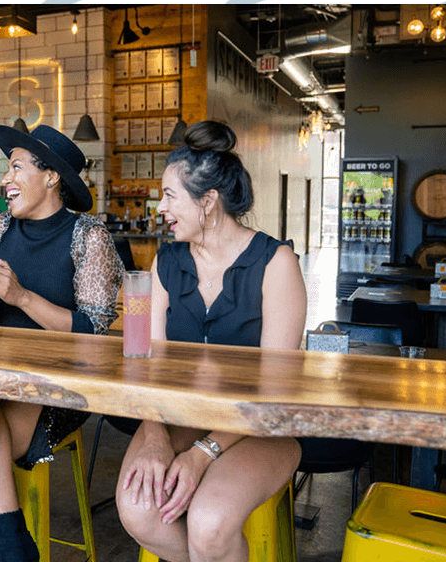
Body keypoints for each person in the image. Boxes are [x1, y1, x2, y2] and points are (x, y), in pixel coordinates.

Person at [116, 121, 307, 562]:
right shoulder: (167, 260)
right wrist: (154, 435)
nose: (159, 207)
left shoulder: (275, 263)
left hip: (260, 425)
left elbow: (274, 389)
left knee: (209, 521)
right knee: (139, 508)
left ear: (208, 202)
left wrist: (202, 454)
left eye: (169, 196)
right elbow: (146, 361)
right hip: (182, 415)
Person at [0, 124, 122, 562]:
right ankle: (11, 541)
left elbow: (95, 333)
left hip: (58, 382)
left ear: (51, 177)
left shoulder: (89, 235)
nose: (6, 179)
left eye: (16, 166)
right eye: (7, 168)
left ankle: (5, 542)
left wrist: (20, 296)